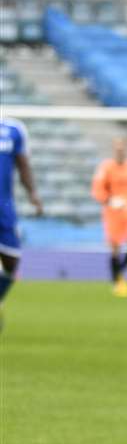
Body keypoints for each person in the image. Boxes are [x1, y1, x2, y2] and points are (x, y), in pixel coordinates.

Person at [0, 115, 46, 327]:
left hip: (4, 208)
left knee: (12, 261)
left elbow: (23, 164)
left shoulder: (14, 128)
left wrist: (33, 194)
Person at [91, 137, 127, 297]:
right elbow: (97, 189)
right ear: (114, 148)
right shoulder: (106, 167)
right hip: (112, 212)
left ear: (126, 148)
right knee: (115, 248)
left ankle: (117, 276)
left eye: (122, 147)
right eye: (117, 147)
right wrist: (108, 200)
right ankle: (117, 283)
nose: (120, 149)